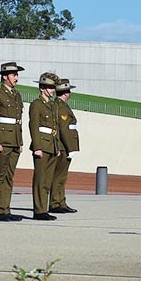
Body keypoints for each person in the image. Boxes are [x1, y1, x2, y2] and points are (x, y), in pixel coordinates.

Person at [0, 62, 26, 222]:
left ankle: (6, 208)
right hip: (3, 140)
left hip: (14, 140)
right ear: (5, 76)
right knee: (0, 175)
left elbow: (18, 121)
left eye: (17, 74)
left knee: (9, 176)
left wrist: (20, 141)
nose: (16, 78)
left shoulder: (17, 95)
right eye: (13, 75)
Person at [29, 72, 62, 221]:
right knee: (40, 179)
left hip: (52, 145)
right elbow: (34, 126)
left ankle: (44, 208)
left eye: (53, 87)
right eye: (49, 87)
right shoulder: (37, 104)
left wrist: (58, 146)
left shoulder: (52, 105)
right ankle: (39, 210)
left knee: (47, 180)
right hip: (42, 144)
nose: (52, 90)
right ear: (42, 88)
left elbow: (56, 126)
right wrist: (37, 147)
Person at [50, 79, 79, 214]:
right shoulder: (60, 106)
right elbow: (65, 128)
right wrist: (70, 148)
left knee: (62, 177)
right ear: (66, 93)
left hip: (64, 146)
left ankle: (61, 201)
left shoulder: (61, 105)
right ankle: (56, 202)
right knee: (59, 177)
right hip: (63, 146)